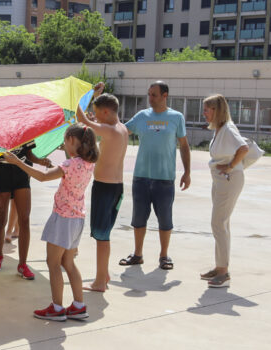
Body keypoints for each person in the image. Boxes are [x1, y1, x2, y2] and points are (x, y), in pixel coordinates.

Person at [4, 123, 98, 321]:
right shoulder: (89, 164)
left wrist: (18, 162)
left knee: (53, 263)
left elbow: (43, 176)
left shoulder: (70, 165)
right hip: (77, 219)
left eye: (65, 141)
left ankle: (57, 308)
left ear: (72, 141)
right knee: (69, 262)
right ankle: (79, 306)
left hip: (62, 219)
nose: (64, 146)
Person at [119, 81, 191, 270]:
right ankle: (137, 254)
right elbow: (120, 131)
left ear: (165, 95)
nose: (150, 98)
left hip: (165, 178)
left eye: (154, 95)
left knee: (165, 219)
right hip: (141, 176)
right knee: (138, 218)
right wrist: (102, 121)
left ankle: (164, 256)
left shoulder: (176, 117)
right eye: (149, 94)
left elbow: (184, 146)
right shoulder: (142, 116)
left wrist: (187, 172)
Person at [77, 84, 128, 292]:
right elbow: (89, 123)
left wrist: (80, 98)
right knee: (103, 234)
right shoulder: (122, 128)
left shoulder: (109, 130)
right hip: (116, 188)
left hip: (105, 189)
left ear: (106, 112)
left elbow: (82, 119)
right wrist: (96, 96)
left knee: (101, 236)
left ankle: (99, 282)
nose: (96, 118)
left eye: (98, 114)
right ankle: (104, 274)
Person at [200, 94, 248, 288]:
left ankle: (223, 272)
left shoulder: (227, 128)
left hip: (229, 179)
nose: (204, 113)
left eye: (207, 109)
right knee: (222, 224)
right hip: (221, 180)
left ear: (217, 110)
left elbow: (243, 148)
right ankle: (220, 266)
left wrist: (229, 167)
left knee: (218, 223)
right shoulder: (220, 129)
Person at [0, 140, 51, 279]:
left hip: (21, 176)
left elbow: (28, 154)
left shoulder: (24, 127)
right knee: (1, 219)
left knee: (25, 219)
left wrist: (39, 161)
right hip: (1, 177)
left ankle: (22, 264)